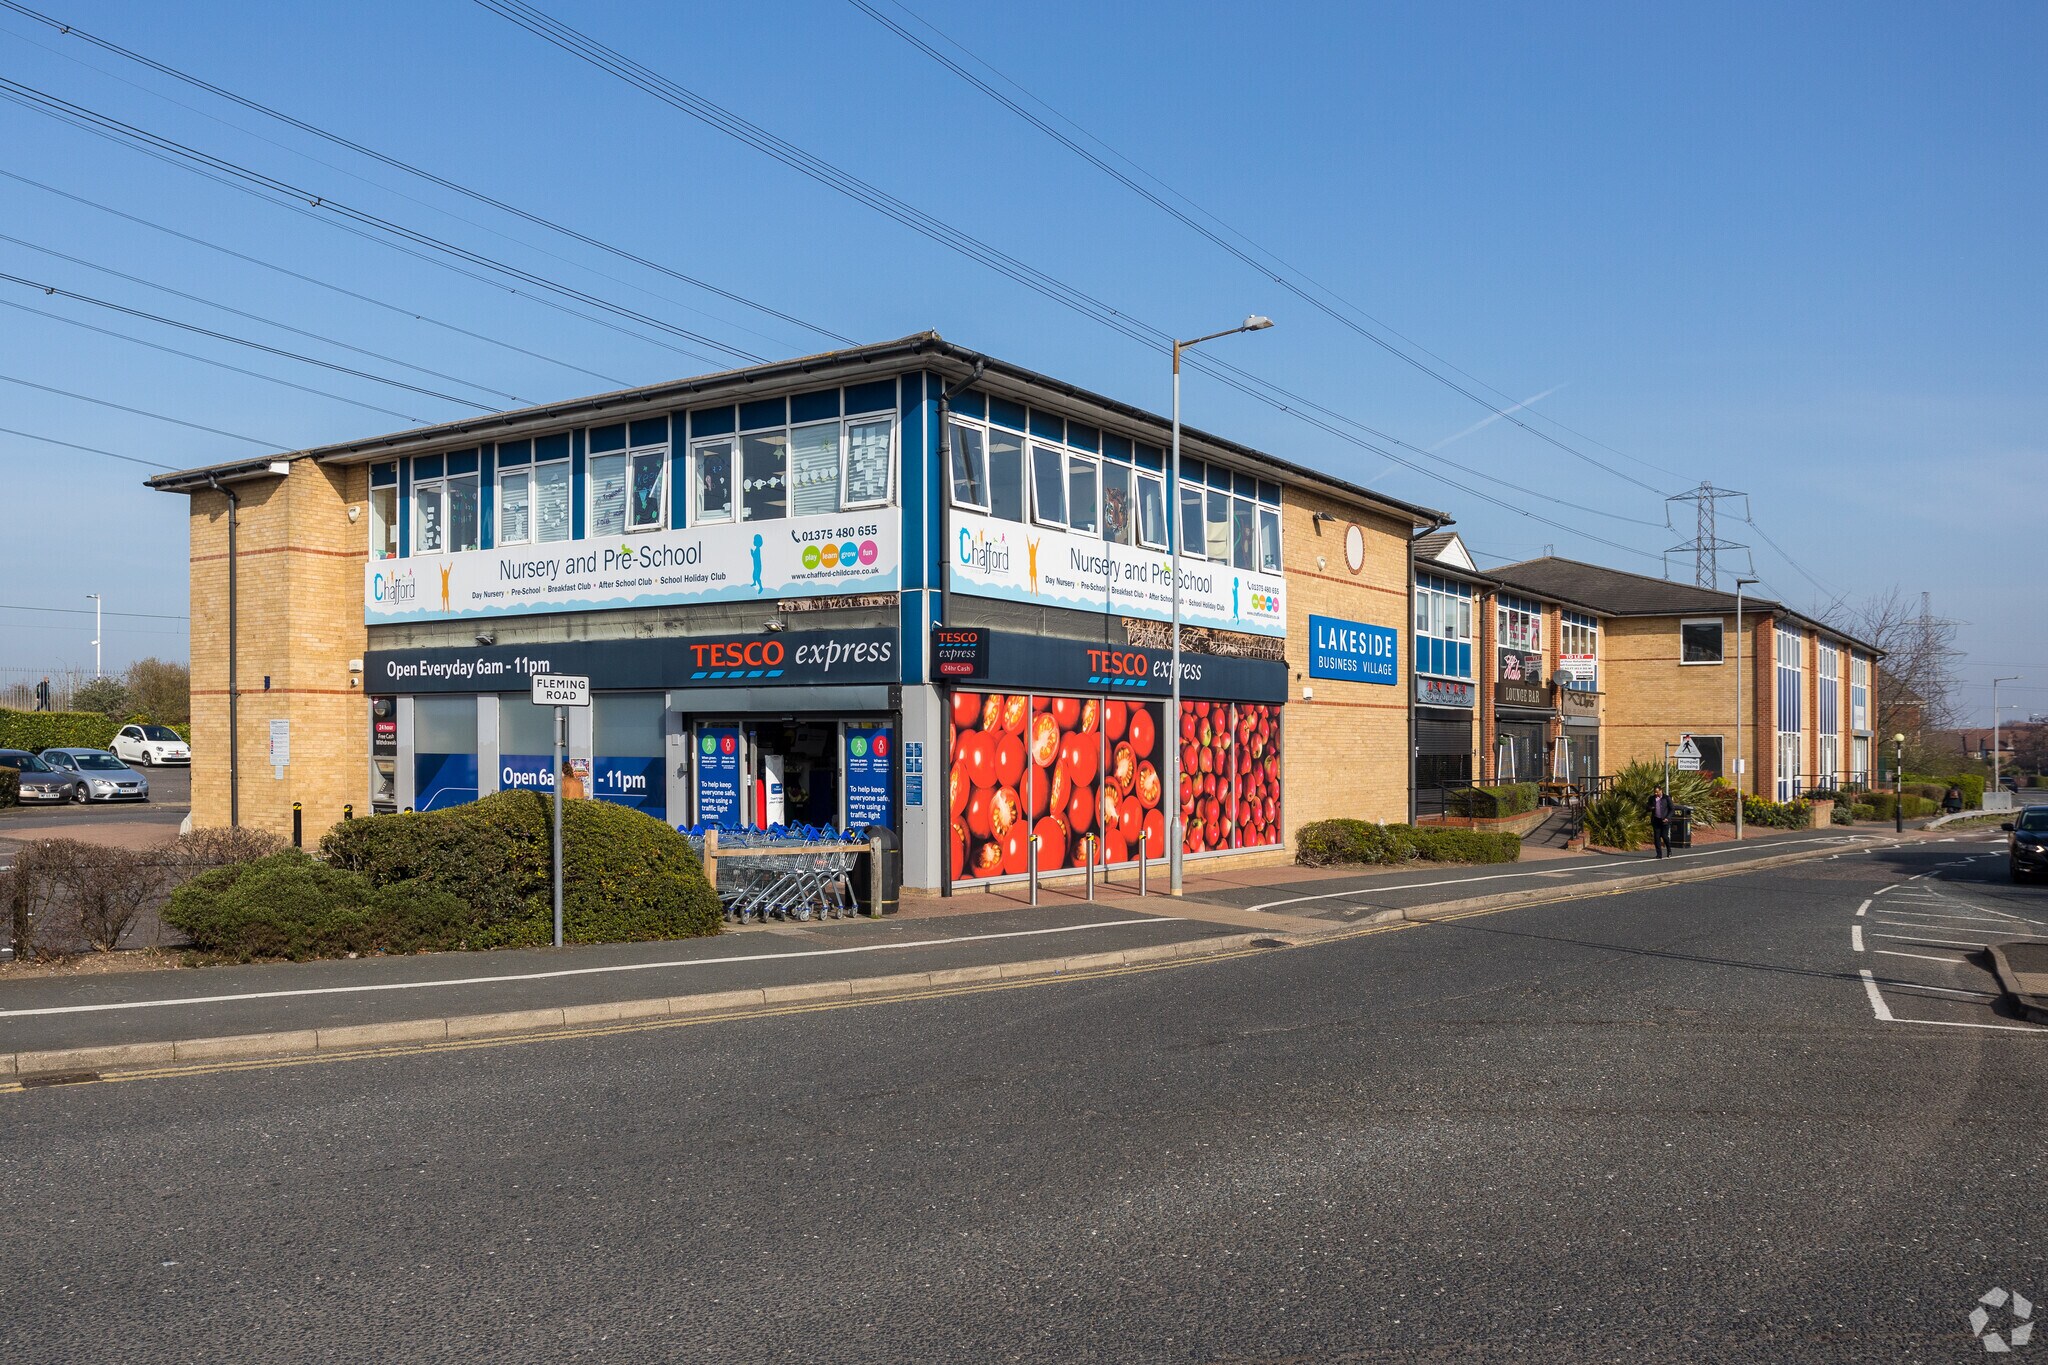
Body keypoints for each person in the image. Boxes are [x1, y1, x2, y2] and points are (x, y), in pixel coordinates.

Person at [1649, 784, 1674, 858]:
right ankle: (1659, 854)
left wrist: (1668, 817)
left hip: (1664, 820)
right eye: (1654, 792)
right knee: (1657, 837)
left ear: (1661, 790)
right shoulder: (1652, 798)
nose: (1656, 794)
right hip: (1656, 820)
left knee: (1664, 836)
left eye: (1657, 792)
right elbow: (1647, 807)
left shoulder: (1666, 798)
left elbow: (1672, 809)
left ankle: (1669, 850)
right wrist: (1650, 808)